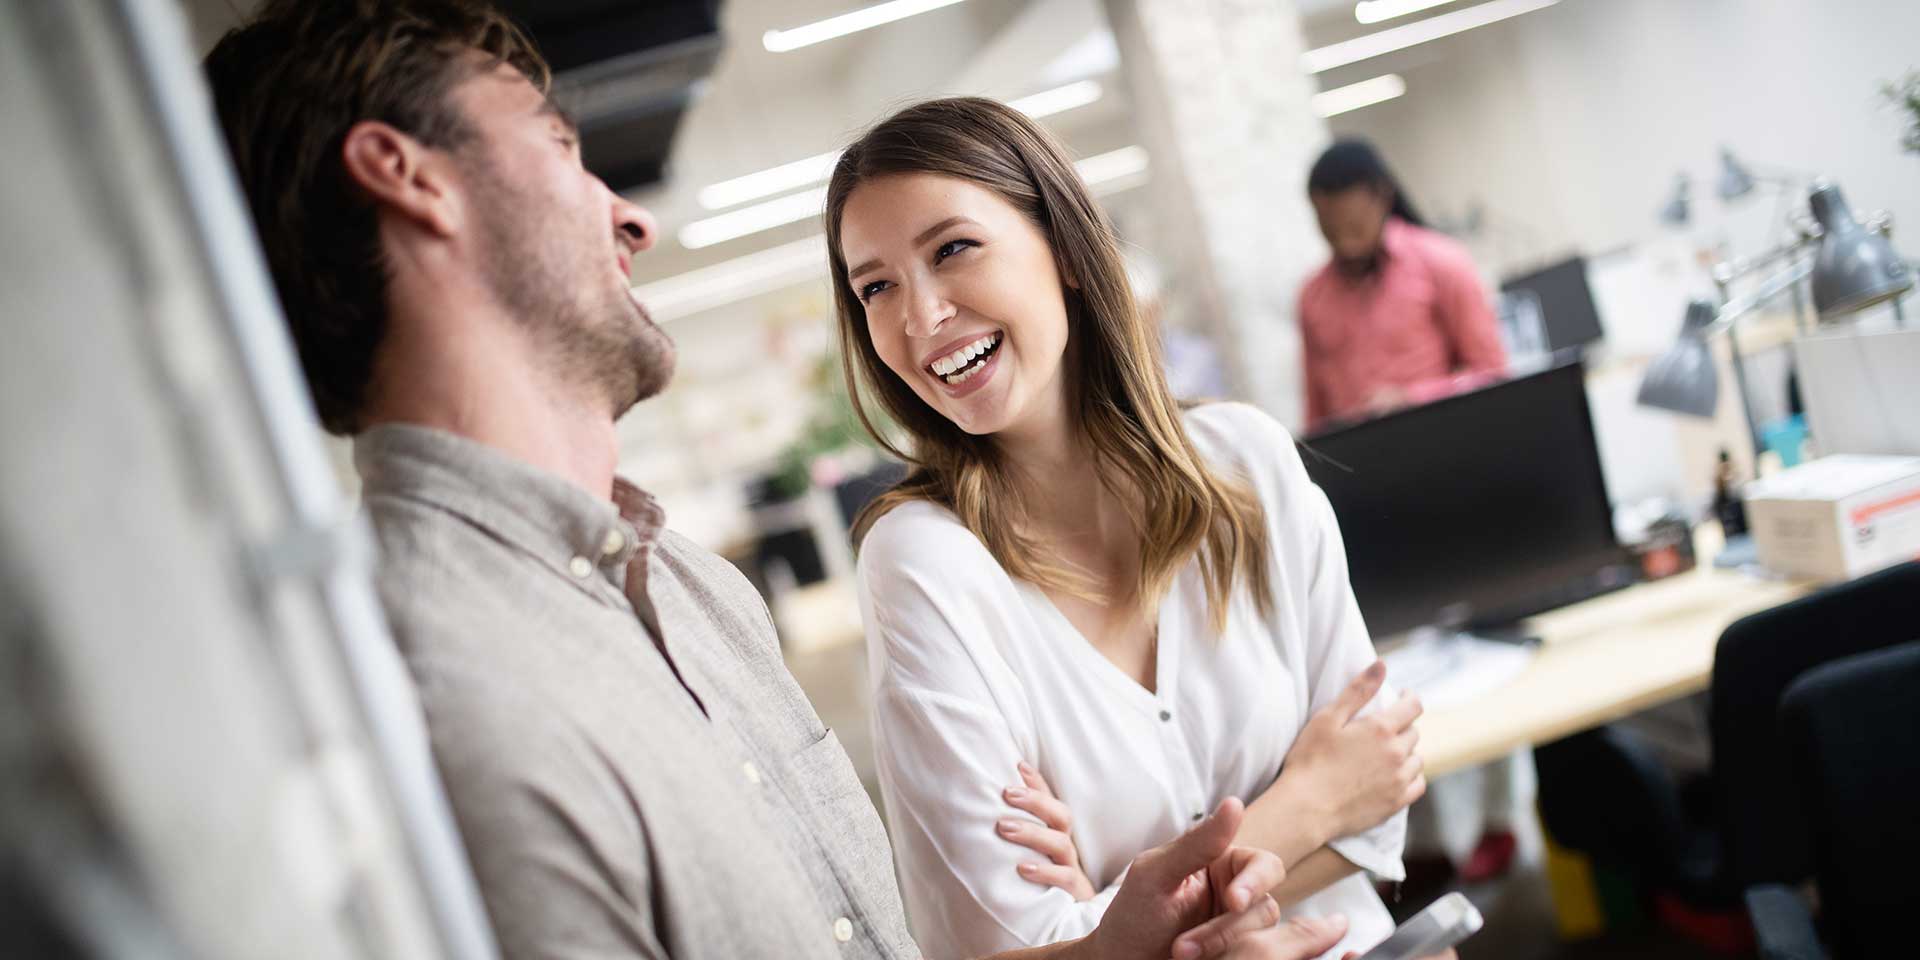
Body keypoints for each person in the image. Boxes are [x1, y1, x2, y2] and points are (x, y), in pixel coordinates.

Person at [202, 3, 1342, 960]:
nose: (631, 217)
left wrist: (1107, 948)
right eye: (557, 147)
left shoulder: (694, 592)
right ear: (407, 177)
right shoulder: (424, 685)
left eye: (953, 250)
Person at [827, 99, 1427, 959]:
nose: (918, 318)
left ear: (1068, 250)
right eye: (876, 287)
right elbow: (998, 945)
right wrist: (1309, 803)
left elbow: (1380, 799)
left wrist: (1116, 921)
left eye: (952, 249)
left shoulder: (1246, 462)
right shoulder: (922, 563)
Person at [1297, 140, 1506, 432]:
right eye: (1330, 230)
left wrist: (1413, 399)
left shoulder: (1441, 261)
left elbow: (1493, 373)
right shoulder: (1312, 298)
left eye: (1355, 226)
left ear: (1382, 197)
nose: (1345, 244)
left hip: (1442, 438)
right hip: (1359, 455)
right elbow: (1317, 416)